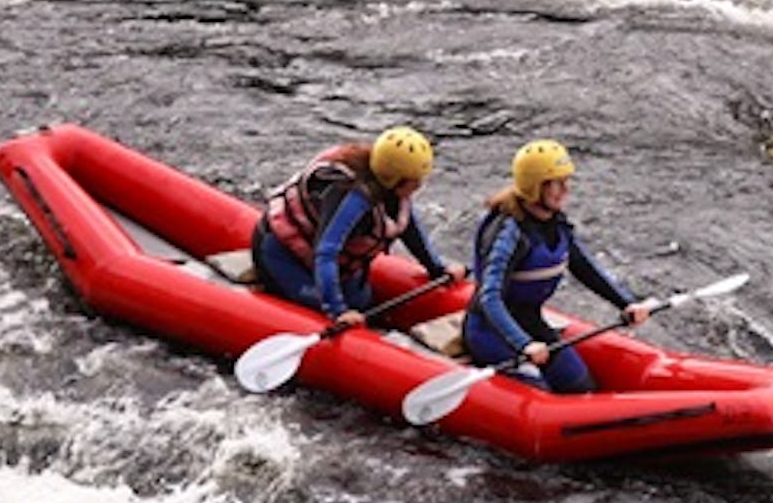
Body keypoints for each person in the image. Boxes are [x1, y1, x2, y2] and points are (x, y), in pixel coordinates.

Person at [462, 139, 649, 393]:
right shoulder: (508, 232)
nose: (565, 190)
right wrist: (523, 344)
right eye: (555, 184)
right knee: (540, 391)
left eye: (566, 182)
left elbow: (584, 268)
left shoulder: (556, 224)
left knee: (582, 387)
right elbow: (490, 298)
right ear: (535, 187)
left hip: (532, 324)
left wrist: (625, 303)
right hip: (491, 333)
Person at [251, 125, 466, 327]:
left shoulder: (392, 191)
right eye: (415, 181)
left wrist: (437, 269)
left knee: (362, 301)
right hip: (282, 254)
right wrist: (338, 311)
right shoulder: (351, 198)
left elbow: (408, 227)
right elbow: (326, 253)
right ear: (396, 180)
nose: (420, 185)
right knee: (336, 304)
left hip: (329, 263)